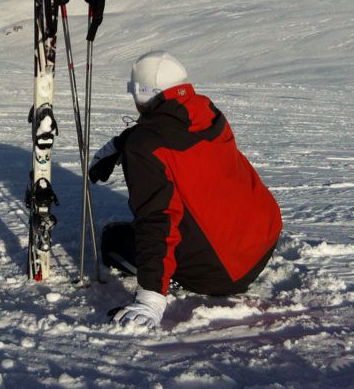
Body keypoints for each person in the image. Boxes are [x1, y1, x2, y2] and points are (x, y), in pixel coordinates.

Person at [89, 51, 282, 328]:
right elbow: (166, 128)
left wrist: (150, 298)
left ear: (142, 93)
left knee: (113, 241)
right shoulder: (207, 112)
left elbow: (157, 219)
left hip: (223, 274)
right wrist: (121, 143)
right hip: (262, 240)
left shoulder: (145, 147)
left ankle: (175, 278)